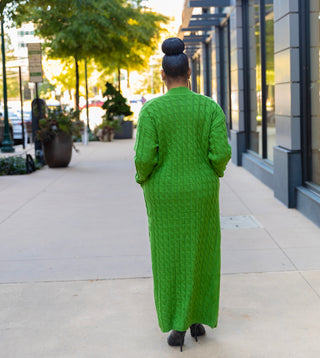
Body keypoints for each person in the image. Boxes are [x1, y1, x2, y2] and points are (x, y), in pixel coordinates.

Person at [134, 37, 231, 352]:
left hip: (163, 194)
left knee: (169, 257)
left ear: (163, 75)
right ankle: (196, 320)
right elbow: (221, 153)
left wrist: (143, 178)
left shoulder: (152, 111)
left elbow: (145, 158)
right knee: (202, 253)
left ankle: (176, 325)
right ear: (190, 72)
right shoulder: (209, 108)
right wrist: (213, 172)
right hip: (201, 192)